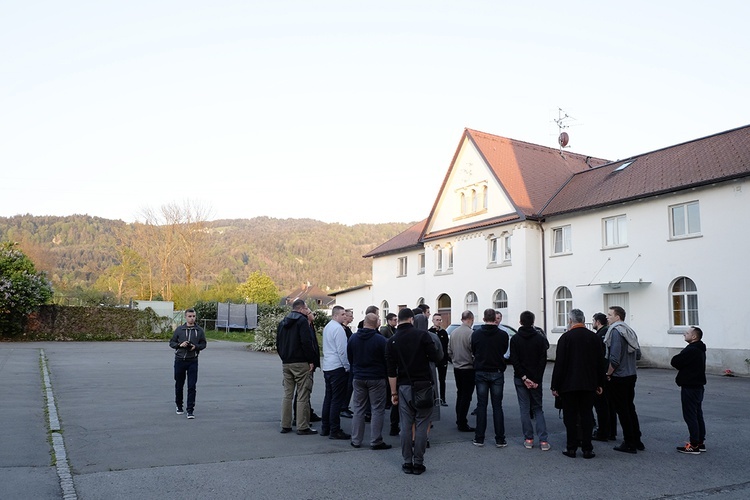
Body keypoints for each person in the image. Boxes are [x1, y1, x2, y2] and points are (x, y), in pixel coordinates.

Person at [386, 307, 440, 475]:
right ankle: (419, 462)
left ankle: (407, 462)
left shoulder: (392, 341)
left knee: (406, 426)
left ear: (399, 320)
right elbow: (436, 357)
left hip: (403, 387)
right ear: (411, 319)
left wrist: (393, 393)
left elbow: (391, 371)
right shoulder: (423, 336)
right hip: (423, 385)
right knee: (423, 424)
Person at [550, 308, 603, 459]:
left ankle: (571, 447)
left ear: (570, 321)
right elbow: (599, 362)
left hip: (569, 385)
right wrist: (600, 383)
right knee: (587, 415)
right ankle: (587, 448)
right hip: (589, 383)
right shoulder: (594, 338)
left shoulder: (566, 338)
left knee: (570, 416)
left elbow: (560, 364)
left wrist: (555, 385)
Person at [348, 312, 392, 450]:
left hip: (359, 376)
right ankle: (376, 440)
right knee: (377, 409)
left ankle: (356, 439)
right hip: (376, 377)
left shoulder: (353, 338)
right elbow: (387, 359)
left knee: (358, 409)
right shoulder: (380, 340)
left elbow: (350, 356)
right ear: (376, 323)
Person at [605, 306, 645, 454]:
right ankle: (637, 439)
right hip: (631, 374)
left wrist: (608, 373)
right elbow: (638, 353)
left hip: (619, 376)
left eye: (609, 315)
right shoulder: (629, 330)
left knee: (622, 410)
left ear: (617, 317)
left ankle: (629, 442)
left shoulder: (616, 331)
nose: (607, 317)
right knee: (630, 407)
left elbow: (614, 358)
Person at [509, 310, 550, 451]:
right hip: (536, 378)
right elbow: (543, 361)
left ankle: (529, 439)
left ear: (520, 322)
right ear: (533, 322)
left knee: (524, 409)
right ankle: (543, 441)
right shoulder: (540, 339)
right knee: (538, 409)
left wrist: (524, 377)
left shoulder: (515, 339)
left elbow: (514, 360)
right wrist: (536, 379)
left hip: (521, 378)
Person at [276, 299, 318, 435]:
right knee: (303, 394)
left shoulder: (283, 322)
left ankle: (285, 424)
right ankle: (302, 426)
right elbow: (306, 342)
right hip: (301, 362)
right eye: (306, 308)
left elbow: (278, 343)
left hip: (286, 362)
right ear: (301, 309)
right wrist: (311, 360)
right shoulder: (302, 322)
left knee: (287, 394)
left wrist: (284, 357)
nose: (307, 311)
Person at [470, 308, 509, 447]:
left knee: (482, 405)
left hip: (481, 370)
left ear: (484, 318)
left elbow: (473, 350)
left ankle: (479, 437)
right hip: (497, 371)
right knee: (497, 406)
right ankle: (500, 439)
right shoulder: (503, 335)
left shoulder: (476, 334)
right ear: (495, 318)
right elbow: (504, 350)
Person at [671, 326, 707, 454]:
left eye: (686, 333)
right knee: (697, 414)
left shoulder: (692, 350)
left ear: (694, 337)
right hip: (697, 386)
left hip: (690, 386)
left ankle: (694, 445)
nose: (684, 335)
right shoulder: (700, 348)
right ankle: (700, 442)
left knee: (691, 415)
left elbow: (676, 361)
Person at [169, 308, 207, 419]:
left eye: (194, 316)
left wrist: (196, 347)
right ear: (185, 317)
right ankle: (179, 405)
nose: (192, 318)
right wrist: (180, 345)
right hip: (180, 360)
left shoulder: (199, 330)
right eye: (190, 316)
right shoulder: (179, 330)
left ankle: (190, 410)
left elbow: (204, 344)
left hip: (192, 361)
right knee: (179, 384)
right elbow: (172, 342)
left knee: (192, 386)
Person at [321, 305, 351, 440]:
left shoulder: (328, 327)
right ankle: (334, 429)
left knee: (329, 397)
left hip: (328, 366)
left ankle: (325, 427)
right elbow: (342, 350)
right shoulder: (338, 329)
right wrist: (347, 366)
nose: (345, 317)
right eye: (343, 314)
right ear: (336, 315)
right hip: (337, 367)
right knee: (336, 400)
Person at [448, 310, 475, 432]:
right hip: (468, 368)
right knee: (466, 395)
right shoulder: (471, 333)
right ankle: (462, 421)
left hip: (457, 367)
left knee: (460, 394)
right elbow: (474, 352)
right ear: (470, 319)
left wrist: (454, 359)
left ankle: (459, 418)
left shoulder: (453, 333)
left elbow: (449, 351)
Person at [591, 312, 616, 441]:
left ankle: (603, 431)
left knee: (601, 404)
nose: (593, 323)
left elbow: (599, 357)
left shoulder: (600, 335)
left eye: (593, 321)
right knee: (610, 404)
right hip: (609, 372)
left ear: (597, 322)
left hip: (603, 373)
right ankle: (611, 431)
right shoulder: (610, 332)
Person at [428, 313, 450, 406]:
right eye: (436, 319)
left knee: (442, 380)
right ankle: (433, 398)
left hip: (442, 360)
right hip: (433, 359)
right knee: (431, 380)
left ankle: (442, 398)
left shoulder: (444, 333)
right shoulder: (429, 332)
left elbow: (446, 346)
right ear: (433, 320)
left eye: (440, 320)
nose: (438, 321)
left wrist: (447, 358)